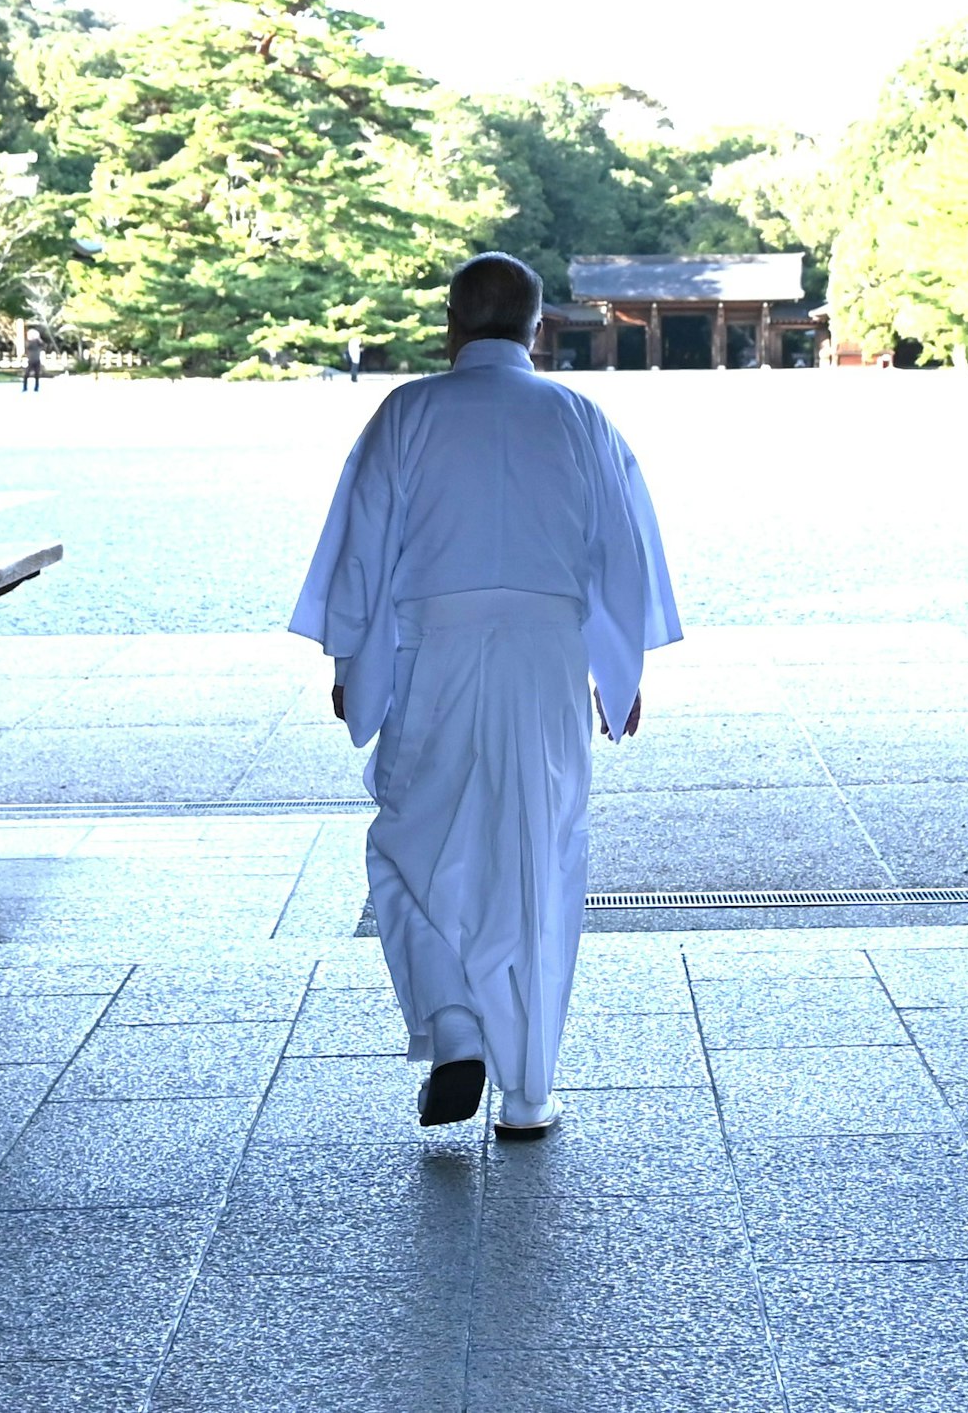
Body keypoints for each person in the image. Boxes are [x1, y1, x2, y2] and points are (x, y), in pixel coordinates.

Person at [287, 253, 680, 1138]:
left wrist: (354, 664)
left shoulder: (408, 412)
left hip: (436, 653)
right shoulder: (580, 416)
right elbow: (622, 553)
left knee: (408, 847)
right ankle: (529, 1089)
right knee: (536, 859)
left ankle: (454, 1022)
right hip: (545, 662)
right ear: (536, 329)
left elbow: (364, 551)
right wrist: (620, 674)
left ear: (451, 326)